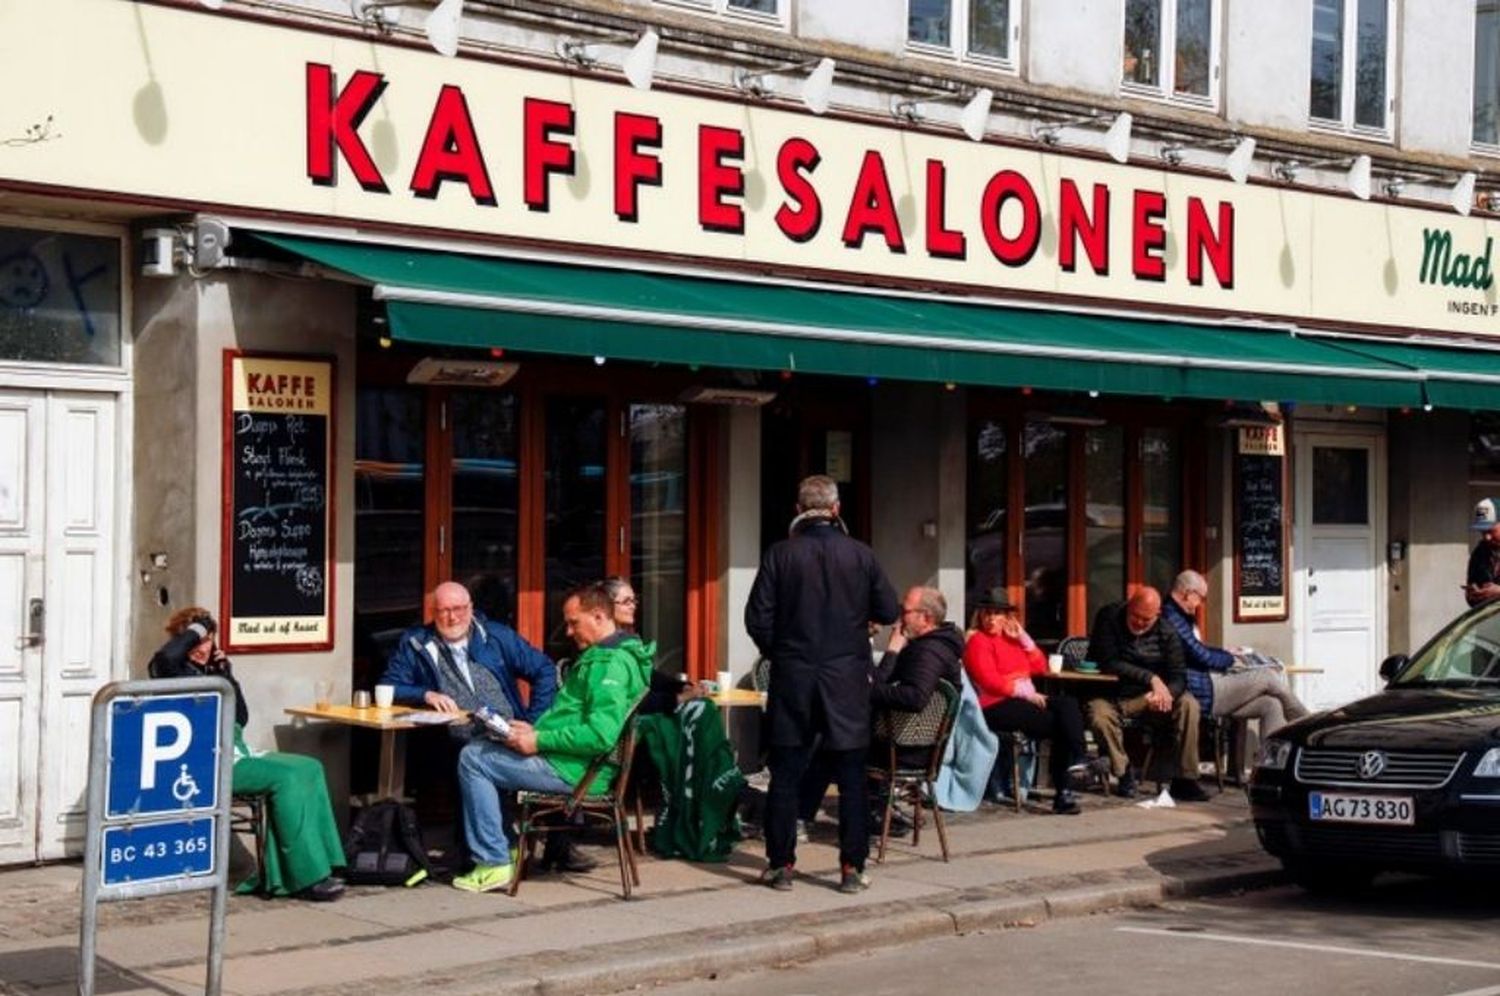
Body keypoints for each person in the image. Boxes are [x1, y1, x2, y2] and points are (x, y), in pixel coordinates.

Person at [745, 474, 901, 894]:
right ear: (836, 510)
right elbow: (889, 608)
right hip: (846, 681)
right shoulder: (861, 555)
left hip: (794, 679)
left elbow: (756, 619)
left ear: (799, 510)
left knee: (786, 775)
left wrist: (783, 651)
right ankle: (852, 868)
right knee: (851, 778)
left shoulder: (780, 555)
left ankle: (781, 866)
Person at [452, 583, 652, 893]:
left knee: (473, 758)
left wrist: (539, 741)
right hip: (572, 764)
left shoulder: (608, 664)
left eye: (574, 622)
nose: (569, 632)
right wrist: (533, 732)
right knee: (483, 747)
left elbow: (599, 735)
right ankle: (505, 850)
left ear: (599, 616)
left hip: (574, 772)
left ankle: (494, 861)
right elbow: (579, 721)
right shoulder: (614, 656)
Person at [381, 581, 586, 872]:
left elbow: (543, 669)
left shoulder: (496, 636)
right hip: (451, 738)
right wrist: (425, 694)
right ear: (432, 612)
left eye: (458, 610)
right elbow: (389, 685)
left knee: (495, 759)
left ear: (471, 609)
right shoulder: (416, 642)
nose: (452, 618)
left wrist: (532, 721)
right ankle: (501, 848)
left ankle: (530, 850)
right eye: (443, 611)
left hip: (507, 732)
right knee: (468, 757)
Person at [148, 608, 346, 901]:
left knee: (310, 767)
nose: (203, 648)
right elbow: (166, 658)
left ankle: (324, 863)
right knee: (287, 778)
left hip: (237, 751)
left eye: (208, 641)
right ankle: (303, 877)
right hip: (205, 764)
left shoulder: (209, 671)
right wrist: (197, 630)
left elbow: (240, 718)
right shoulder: (168, 670)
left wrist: (227, 676)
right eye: (197, 641)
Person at [962, 595, 1088, 815]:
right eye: (987, 613)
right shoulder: (977, 641)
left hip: (1022, 700)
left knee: (1068, 705)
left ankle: (1078, 760)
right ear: (980, 615)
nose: (991, 619)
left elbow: (1040, 667)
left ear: (1008, 617)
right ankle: (1065, 789)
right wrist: (1024, 693)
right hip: (995, 705)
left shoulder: (1013, 639)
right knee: (1062, 726)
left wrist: (1024, 638)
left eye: (997, 614)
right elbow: (989, 680)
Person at [1085, 587, 1209, 802]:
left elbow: (1179, 676)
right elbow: (1108, 662)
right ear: (1128, 606)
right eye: (1136, 616)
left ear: (1157, 615)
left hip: (1151, 699)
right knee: (1099, 715)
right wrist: (1151, 678)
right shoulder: (1109, 617)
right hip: (1112, 694)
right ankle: (1123, 772)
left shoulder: (1167, 632)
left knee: (1189, 704)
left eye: (1147, 619)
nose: (1140, 623)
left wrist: (1165, 695)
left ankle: (1186, 778)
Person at [1163, 570, 1309, 736]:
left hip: (1205, 685)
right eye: (1201, 598)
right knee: (1267, 676)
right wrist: (1230, 659)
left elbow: (1196, 648)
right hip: (1201, 691)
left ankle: (1270, 759)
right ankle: (1308, 724)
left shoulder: (1177, 615)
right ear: (1188, 594)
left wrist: (1223, 651)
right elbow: (1201, 655)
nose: (1200, 605)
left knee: (1271, 705)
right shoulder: (1173, 618)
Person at [1466, 498, 1500, 607]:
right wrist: (1473, 595)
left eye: (1490, 531)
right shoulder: (1479, 554)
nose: (1487, 537)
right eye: (1482, 532)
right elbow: (1472, 586)